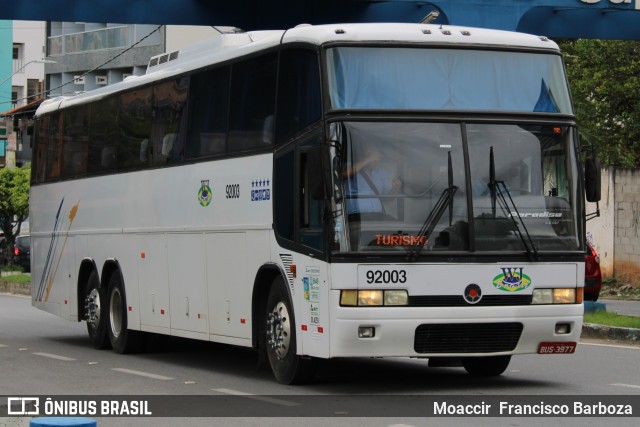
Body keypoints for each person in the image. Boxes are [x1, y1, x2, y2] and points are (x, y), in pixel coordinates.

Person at [343, 146, 401, 218]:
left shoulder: (381, 172)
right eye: (370, 155)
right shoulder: (352, 167)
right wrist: (369, 159)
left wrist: (396, 187)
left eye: (376, 156)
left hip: (378, 215)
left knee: (395, 226)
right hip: (357, 216)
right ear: (362, 157)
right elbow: (344, 174)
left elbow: (388, 198)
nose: (375, 159)